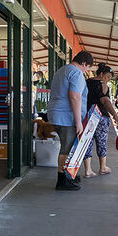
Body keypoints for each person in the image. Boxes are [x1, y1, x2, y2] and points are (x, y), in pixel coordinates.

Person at [47, 51, 94, 190]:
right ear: (84, 63)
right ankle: (62, 180)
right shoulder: (76, 73)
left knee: (67, 147)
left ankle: (67, 176)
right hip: (66, 117)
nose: (86, 71)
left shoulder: (62, 70)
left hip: (57, 114)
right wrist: (79, 121)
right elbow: (75, 97)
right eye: (87, 68)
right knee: (66, 149)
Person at [82, 63, 118, 177]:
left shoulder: (87, 82)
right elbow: (105, 101)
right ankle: (102, 167)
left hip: (87, 116)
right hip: (100, 117)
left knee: (87, 142)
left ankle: (88, 170)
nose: (108, 79)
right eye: (108, 76)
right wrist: (115, 115)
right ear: (101, 74)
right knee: (101, 141)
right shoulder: (102, 85)